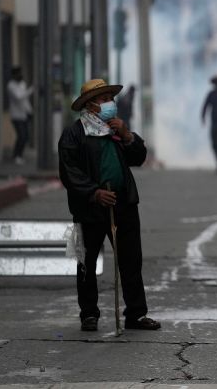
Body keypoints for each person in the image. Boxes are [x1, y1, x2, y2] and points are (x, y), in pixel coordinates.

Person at [58, 78, 161, 332]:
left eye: (110, 98)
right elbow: (69, 172)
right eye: (104, 100)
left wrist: (128, 136)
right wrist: (93, 193)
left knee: (130, 260)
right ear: (91, 105)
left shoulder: (115, 130)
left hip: (123, 203)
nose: (110, 104)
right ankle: (89, 313)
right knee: (86, 263)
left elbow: (138, 157)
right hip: (89, 208)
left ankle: (136, 314)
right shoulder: (74, 133)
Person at [7, 66, 33, 165]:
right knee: (21, 136)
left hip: (24, 114)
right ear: (13, 75)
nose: (20, 75)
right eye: (17, 73)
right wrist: (30, 91)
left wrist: (30, 111)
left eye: (20, 73)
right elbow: (19, 97)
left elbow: (25, 100)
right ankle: (17, 156)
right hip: (16, 115)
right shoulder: (10, 86)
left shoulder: (22, 84)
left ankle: (17, 154)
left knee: (25, 137)